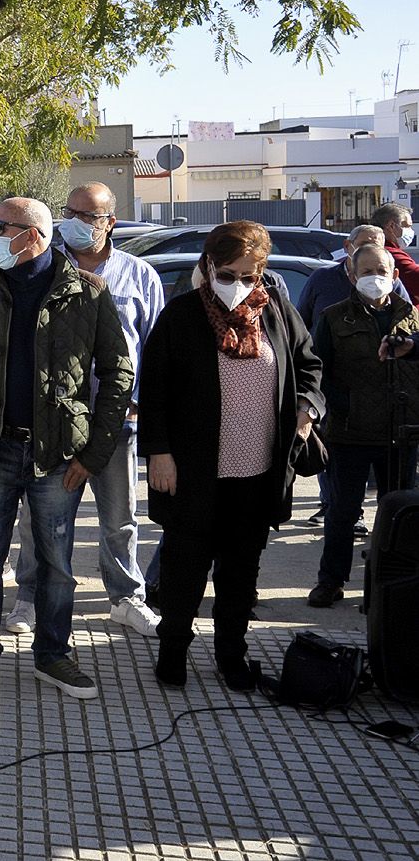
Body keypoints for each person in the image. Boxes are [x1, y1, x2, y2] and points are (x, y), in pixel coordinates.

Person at [0, 198, 132, 702]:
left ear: (35, 235)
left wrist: (94, 452)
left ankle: (53, 654)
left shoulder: (87, 292)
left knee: (56, 565)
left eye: (0, 226)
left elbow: (118, 373)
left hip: (59, 454)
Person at [141, 221, 324, 689]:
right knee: (184, 569)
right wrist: (158, 452)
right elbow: (154, 391)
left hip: (258, 471)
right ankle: (173, 650)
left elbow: (309, 366)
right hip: (193, 471)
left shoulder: (276, 310)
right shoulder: (182, 315)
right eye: (227, 274)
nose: (237, 284)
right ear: (209, 266)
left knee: (241, 572)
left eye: (248, 275)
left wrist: (307, 410)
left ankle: (231, 654)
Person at [5, 183, 165, 639]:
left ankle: (126, 598)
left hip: (116, 422)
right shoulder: (46, 269)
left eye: (86, 216)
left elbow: (154, 350)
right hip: (53, 421)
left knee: (119, 520)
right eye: (68, 212)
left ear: (109, 222)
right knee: (41, 518)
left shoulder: (139, 276)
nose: (73, 222)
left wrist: (141, 410)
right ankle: (29, 598)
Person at [306, 243, 419, 608]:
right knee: (342, 513)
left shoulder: (413, 318)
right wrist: (338, 407)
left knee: (399, 516)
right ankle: (331, 581)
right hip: (350, 433)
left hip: (401, 435)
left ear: (395, 275)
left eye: (381, 271)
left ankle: (389, 586)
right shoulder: (335, 317)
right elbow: (317, 370)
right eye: (366, 271)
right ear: (352, 276)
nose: (375, 278)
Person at [296, 225, 405, 331]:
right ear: (347, 246)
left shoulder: (389, 281)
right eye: (363, 245)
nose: (368, 252)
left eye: (375, 247)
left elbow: (407, 318)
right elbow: (300, 322)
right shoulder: (322, 278)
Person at [372, 201, 419, 299]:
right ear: (391, 226)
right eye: (407, 226)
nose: (411, 231)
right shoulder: (389, 253)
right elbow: (415, 277)